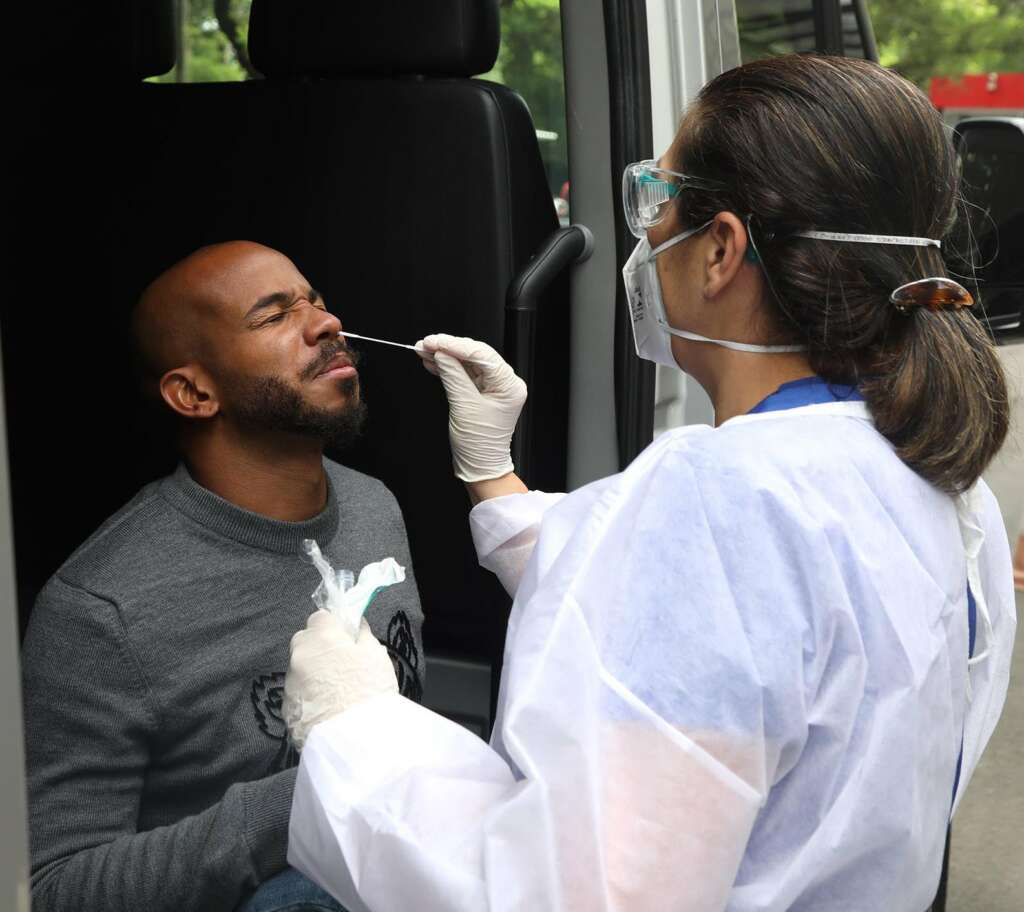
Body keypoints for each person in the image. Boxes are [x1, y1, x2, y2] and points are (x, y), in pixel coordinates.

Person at [283, 56, 1017, 911]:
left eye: (656, 197)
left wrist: (356, 728)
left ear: (720, 250)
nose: (646, 234)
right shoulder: (937, 476)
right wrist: (495, 475)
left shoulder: (718, 497)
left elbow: (568, 895)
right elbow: (727, 632)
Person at [20, 241, 424, 912]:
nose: (327, 324)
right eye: (274, 317)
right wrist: (308, 795)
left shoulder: (374, 509)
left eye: (315, 302)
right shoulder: (103, 611)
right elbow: (52, 888)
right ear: (194, 393)